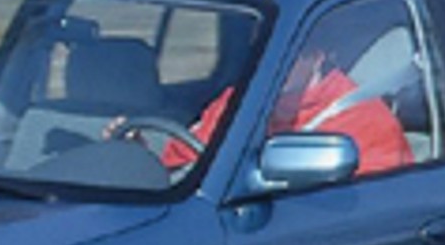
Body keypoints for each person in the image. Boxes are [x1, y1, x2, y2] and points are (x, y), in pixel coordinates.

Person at [157, 46, 410, 176]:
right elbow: (181, 166)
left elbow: (375, 210)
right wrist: (138, 155)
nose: (272, 64)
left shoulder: (366, 120)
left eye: (287, 53)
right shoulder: (237, 101)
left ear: (316, 58)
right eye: (263, 52)